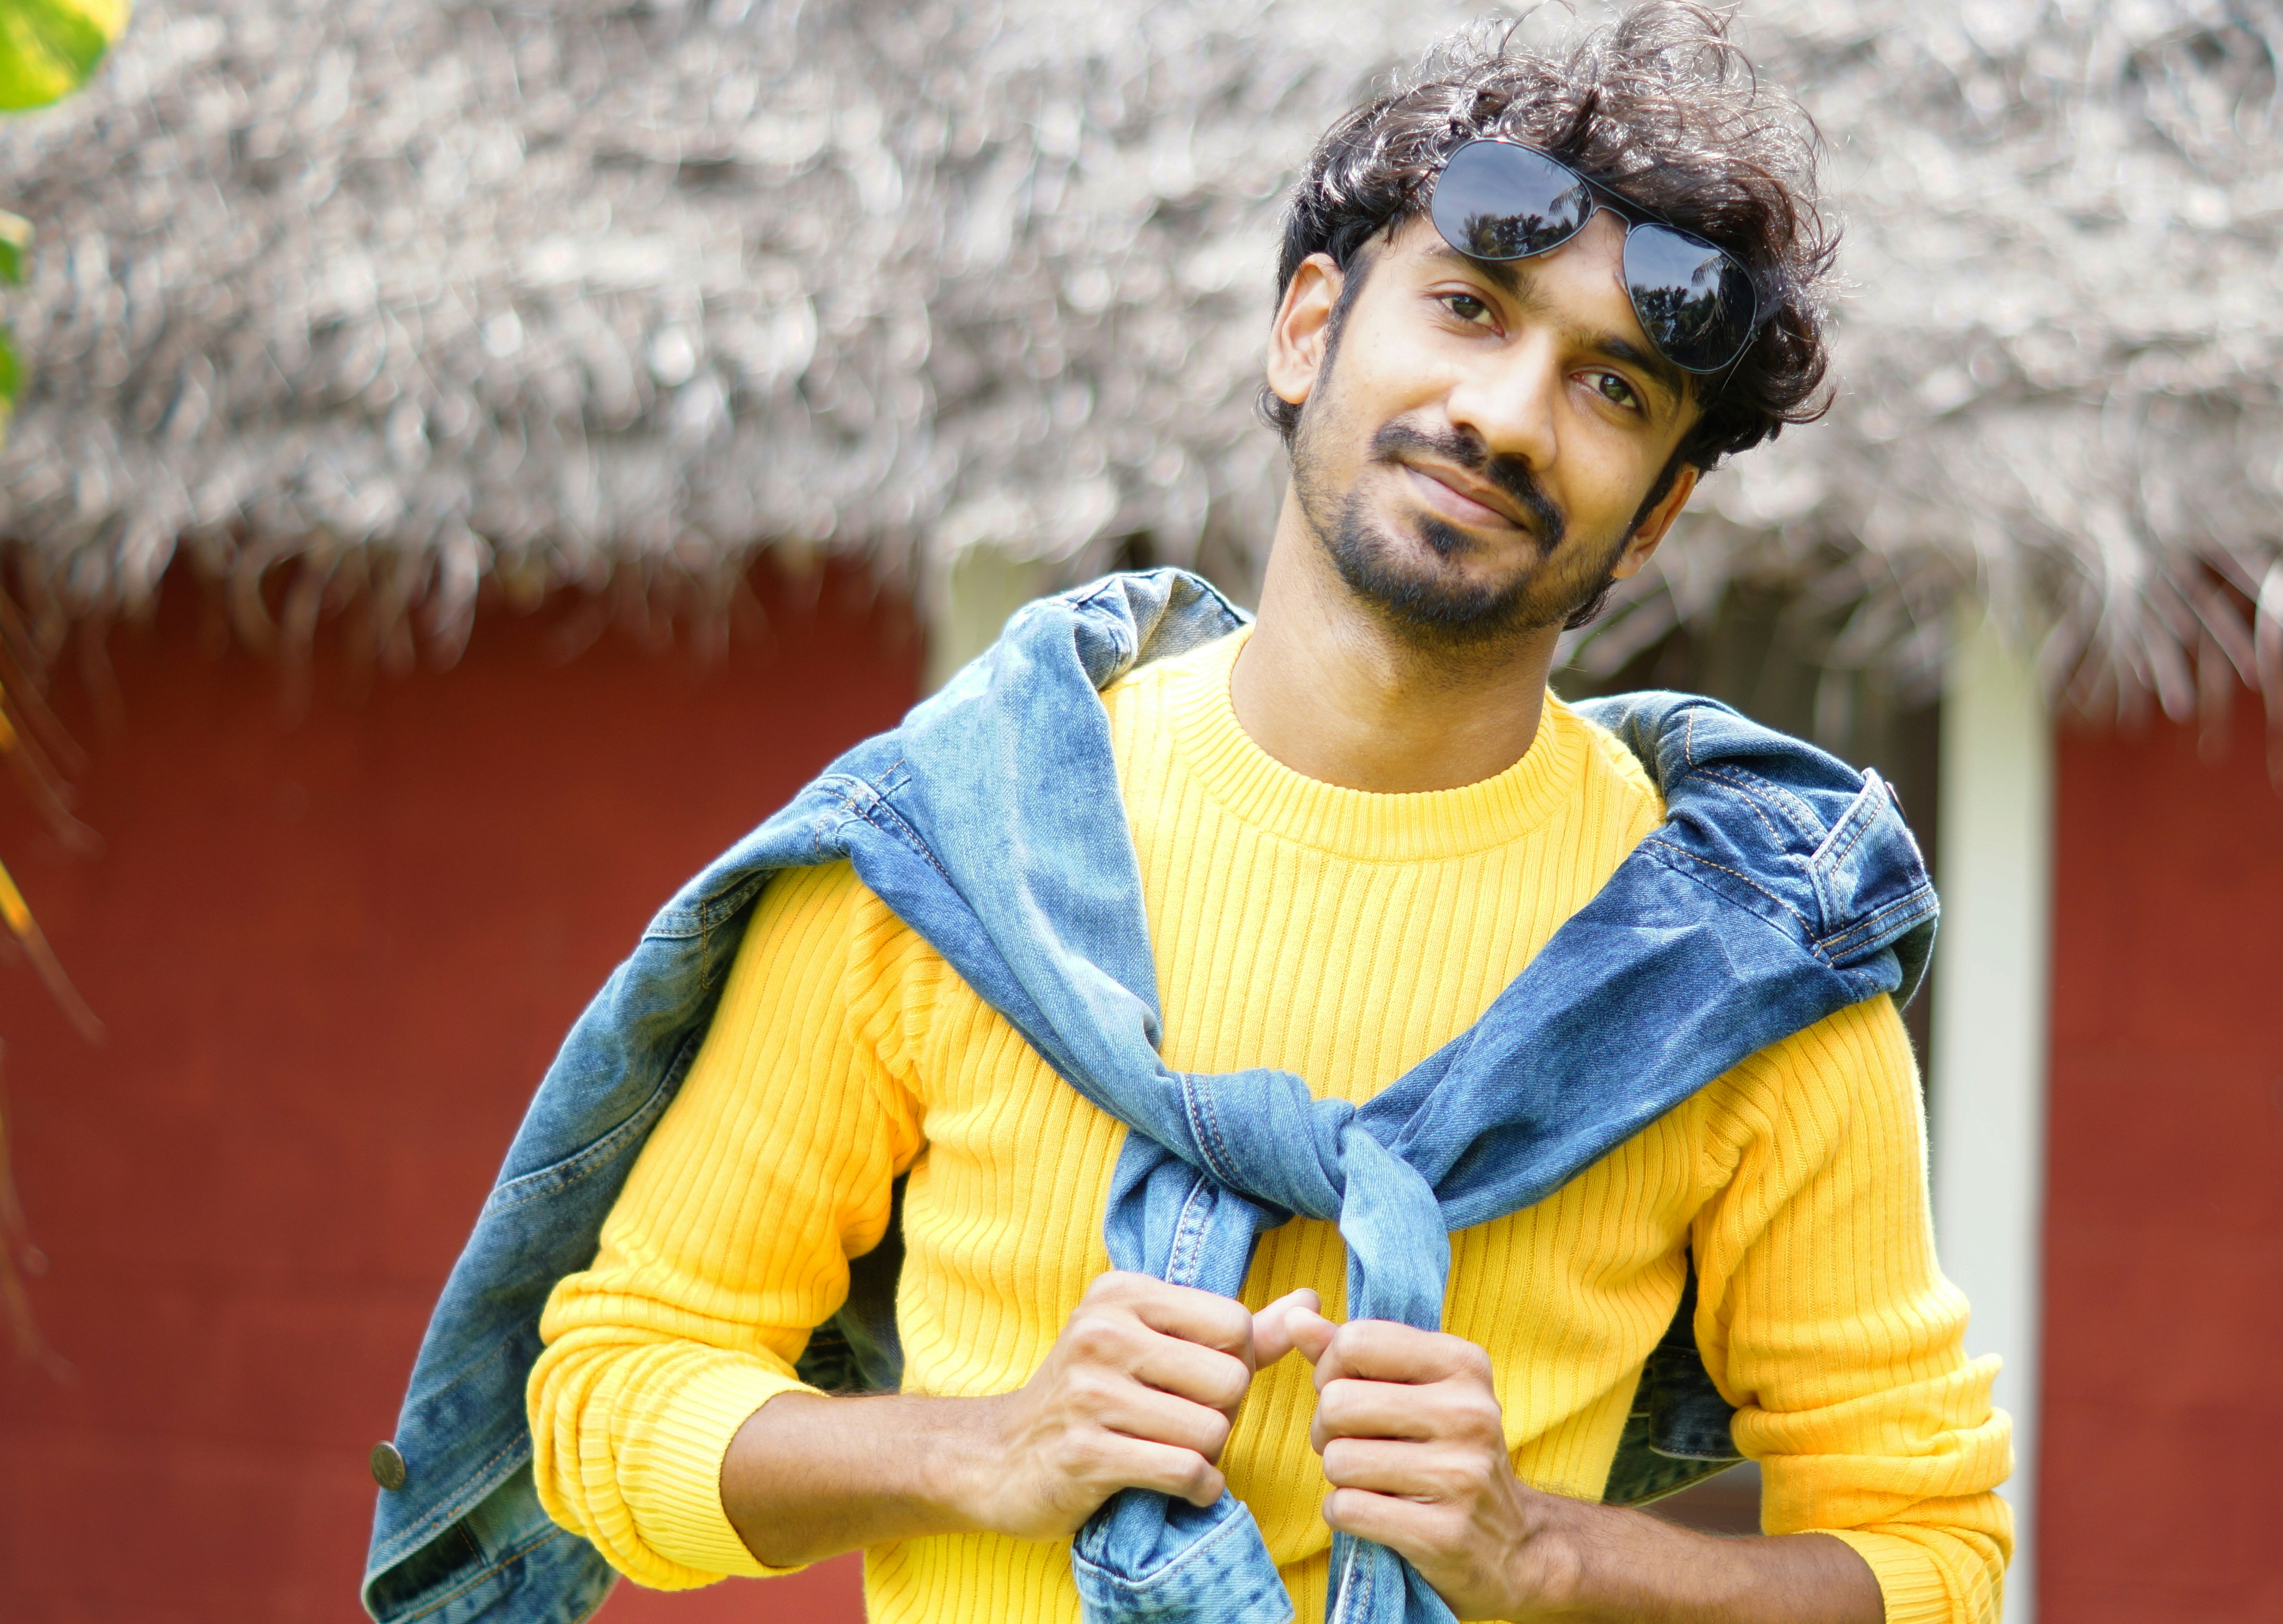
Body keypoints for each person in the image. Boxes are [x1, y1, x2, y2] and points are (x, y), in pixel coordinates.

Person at [523, 8, 2009, 1621]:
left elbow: (1933, 1561)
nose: (1508, 416)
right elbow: (610, 1402)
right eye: (1466, 308)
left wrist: (1543, 1551)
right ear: (1308, 327)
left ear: (1651, 519)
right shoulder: (961, 846)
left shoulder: (1735, 968)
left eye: (1613, 388)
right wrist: (988, 1447)